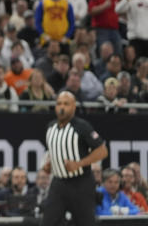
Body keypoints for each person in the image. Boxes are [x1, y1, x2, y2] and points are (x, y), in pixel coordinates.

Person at [41, 91, 108, 226]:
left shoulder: (82, 126)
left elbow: (102, 151)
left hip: (81, 183)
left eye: (66, 104)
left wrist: (79, 164)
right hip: (58, 183)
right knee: (48, 221)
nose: (62, 107)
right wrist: (49, 165)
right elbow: (54, 151)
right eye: (59, 103)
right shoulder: (50, 127)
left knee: (85, 222)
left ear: (73, 107)